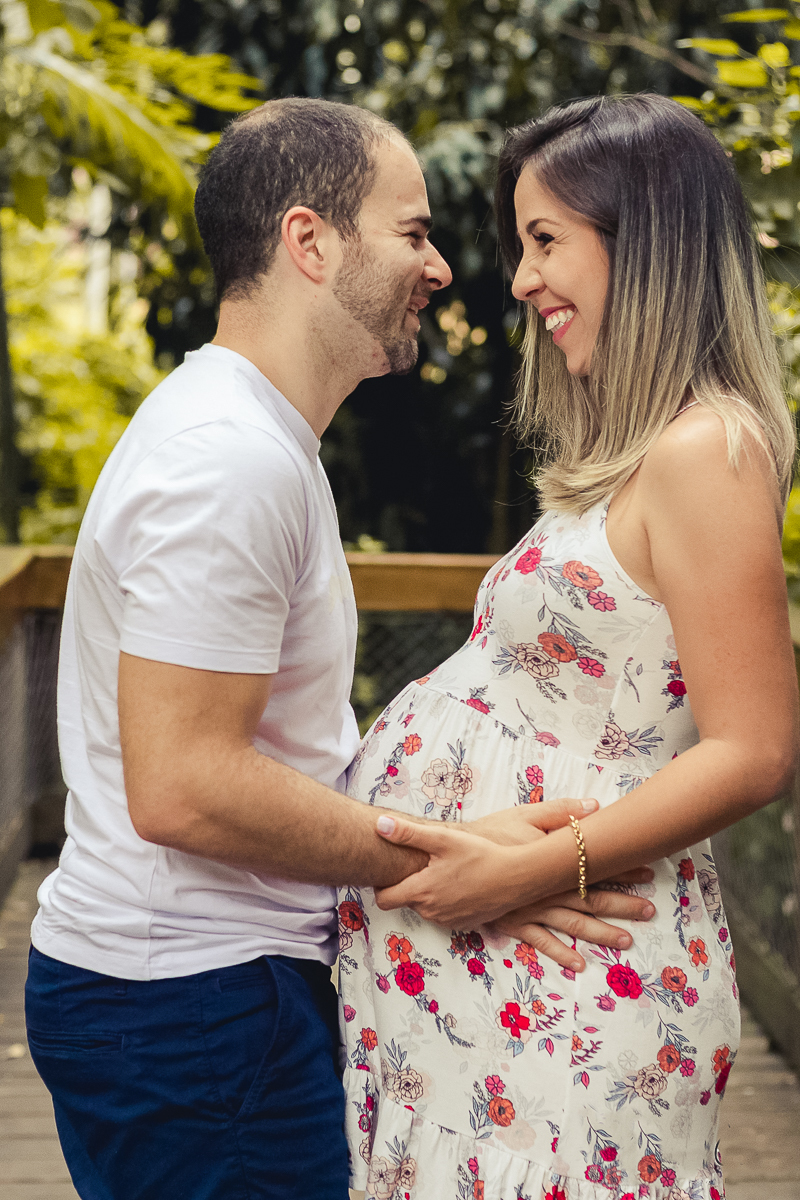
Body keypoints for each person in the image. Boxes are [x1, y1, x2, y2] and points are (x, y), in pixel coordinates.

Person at [23, 97, 653, 1200]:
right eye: (411, 232)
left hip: (205, 997)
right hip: (195, 1006)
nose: (444, 268)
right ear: (308, 242)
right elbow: (182, 787)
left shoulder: (254, 438)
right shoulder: (229, 461)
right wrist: (449, 861)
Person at [339, 93, 798, 1200]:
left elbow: (751, 749)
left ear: (640, 241)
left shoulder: (706, 449)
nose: (519, 277)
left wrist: (524, 869)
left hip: (571, 972)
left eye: (545, 240)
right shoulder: (637, 451)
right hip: (499, 985)